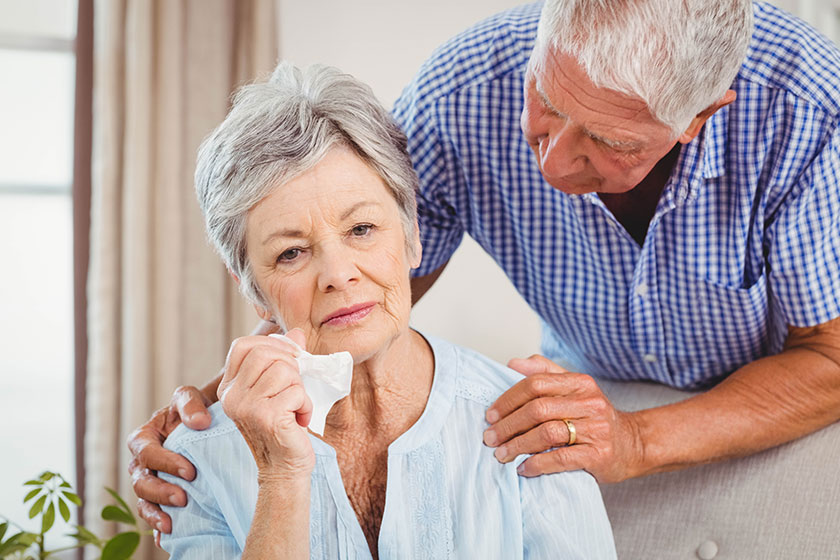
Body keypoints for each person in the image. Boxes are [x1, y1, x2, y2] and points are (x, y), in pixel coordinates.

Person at [129, 0, 840, 542]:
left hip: (779, 403)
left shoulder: (810, 113)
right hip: (579, 390)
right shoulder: (461, 95)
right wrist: (218, 407)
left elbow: (831, 357)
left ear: (700, 117)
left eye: (608, 140)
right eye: (546, 102)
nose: (553, 163)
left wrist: (639, 438)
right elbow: (351, 277)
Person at [157, 61, 616, 558]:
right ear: (253, 291)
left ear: (413, 235)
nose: (338, 273)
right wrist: (281, 477)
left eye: (361, 230)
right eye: (291, 252)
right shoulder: (197, 461)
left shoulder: (534, 427)